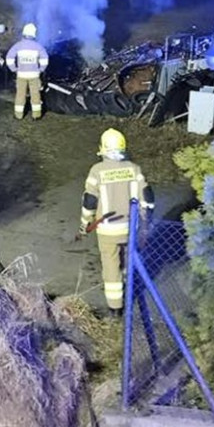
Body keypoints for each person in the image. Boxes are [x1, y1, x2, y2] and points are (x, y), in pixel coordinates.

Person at [79, 129, 156, 316]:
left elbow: (90, 201)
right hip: (130, 228)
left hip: (107, 230)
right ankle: (129, 289)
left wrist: (85, 224)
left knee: (111, 265)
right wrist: (146, 224)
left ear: (102, 149)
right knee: (129, 260)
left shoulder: (96, 171)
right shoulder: (134, 169)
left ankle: (115, 307)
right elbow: (147, 198)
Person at [5, 23, 49, 120]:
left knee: (20, 94)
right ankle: (36, 115)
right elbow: (45, 59)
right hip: (34, 75)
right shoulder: (38, 46)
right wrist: (41, 69)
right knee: (35, 94)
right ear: (34, 34)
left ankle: (18, 115)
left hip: (21, 75)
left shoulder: (18, 45)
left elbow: (9, 58)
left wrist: (14, 69)